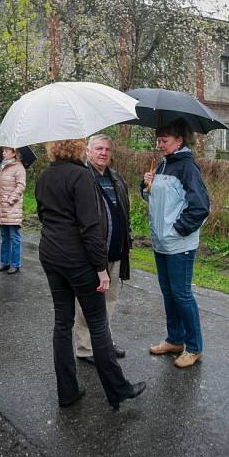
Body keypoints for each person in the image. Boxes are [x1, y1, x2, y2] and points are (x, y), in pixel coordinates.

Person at [35, 138, 146, 411]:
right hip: (78, 260)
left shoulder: (44, 175)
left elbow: (42, 215)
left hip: (50, 255)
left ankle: (67, 391)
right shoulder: (81, 176)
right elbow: (90, 227)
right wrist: (101, 269)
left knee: (62, 323)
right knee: (98, 323)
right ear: (78, 148)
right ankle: (118, 390)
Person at [141, 119, 210, 368]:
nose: (160, 144)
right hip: (161, 243)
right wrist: (145, 185)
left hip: (179, 244)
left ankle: (194, 347)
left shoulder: (187, 167)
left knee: (182, 295)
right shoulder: (163, 165)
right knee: (169, 293)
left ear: (179, 140)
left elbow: (201, 206)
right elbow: (157, 200)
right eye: (158, 140)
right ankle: (175, 340)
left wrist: (177, 230)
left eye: (165, 140)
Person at [74, 134, 132, 364]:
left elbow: (122, 213)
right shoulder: (82, 178)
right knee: (89, 303)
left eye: (107, 149)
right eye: (98, 148)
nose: (103, 152)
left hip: (116, 251)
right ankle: (86, 348)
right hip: (92, 255)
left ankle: (103, 343)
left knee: (110, 301)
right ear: (88, 152)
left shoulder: (116, 178)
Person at [0, 147, 26, 275]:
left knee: (14, 236)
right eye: (3, 151)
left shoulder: (19, 167)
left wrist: (10, 200)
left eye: (6, 151)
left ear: (14, 153)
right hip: (1, 207)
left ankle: (15, 264)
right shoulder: (1, 166)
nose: (3, 153)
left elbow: (21, 186)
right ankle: (5, 262)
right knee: (4, 236)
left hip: (12, 207)